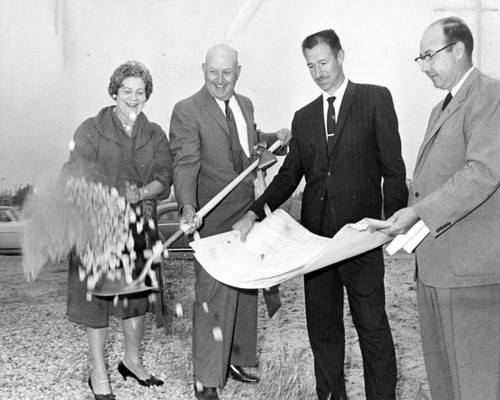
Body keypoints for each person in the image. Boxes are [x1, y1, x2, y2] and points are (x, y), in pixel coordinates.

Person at [234, 29, 408, 400]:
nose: (318, 72)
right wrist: (254, 212)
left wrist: (393, 226)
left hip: (361, 241)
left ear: (341, 56)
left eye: (323, 63)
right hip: (315, 247)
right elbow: (287, 177)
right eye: (310, 66)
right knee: (323, 332)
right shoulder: (304, 117)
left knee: (372, 329)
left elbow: (393, 168)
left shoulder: (375, 99)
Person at [384, 17, 500, 399]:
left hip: (471, 273)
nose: (424, 67)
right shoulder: (441, 108)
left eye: (430, 56)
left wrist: (418, 213)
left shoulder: (489, 96)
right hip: (435, 267)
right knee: (445, 383)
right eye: (420, 59)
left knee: (476, 384)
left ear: (459, 50)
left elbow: (482, 173)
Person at [168, 43, 291, 400]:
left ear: (238, 72)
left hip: (247, 213)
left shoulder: (245, 104)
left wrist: (273, 139)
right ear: (202, 68)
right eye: (213, 73)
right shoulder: (187, 110)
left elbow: (245, 144)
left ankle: (236, 359)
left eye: (227, 73)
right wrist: (188, 207)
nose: (220, 81)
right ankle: (206, 380)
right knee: (211, 298)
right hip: (211, 219)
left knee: (244, 288)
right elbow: (186, 163)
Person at [62, 60, 173, 400]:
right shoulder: (91, 129)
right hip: (97, 226)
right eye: (127, 91)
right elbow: (74, 173)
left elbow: (163, 178)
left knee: (135, 298)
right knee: (96, 301)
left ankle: (132, 361)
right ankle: (99, 373)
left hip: (138, 226)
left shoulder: (154, 134)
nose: (133, 98)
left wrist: (141, 193)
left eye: (140, 92)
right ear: (115, 91)